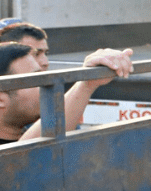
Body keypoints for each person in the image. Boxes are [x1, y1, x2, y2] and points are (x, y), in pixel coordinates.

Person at [0, 43, 133, 143]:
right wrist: (84, 85)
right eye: (35, 79)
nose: (47, 86)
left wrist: (88, 83)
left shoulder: (29, 129)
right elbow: (19, 158)